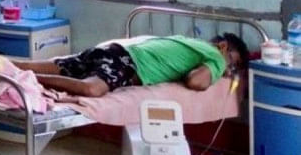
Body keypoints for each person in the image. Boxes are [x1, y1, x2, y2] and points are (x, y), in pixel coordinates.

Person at [13, 33, 249, 97]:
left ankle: (7, 65)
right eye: (233, 63)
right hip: (127, 63)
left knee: (55, 65)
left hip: (113, 51)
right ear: (223, 47)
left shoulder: (191, 44)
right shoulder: (216, 57)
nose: (230, 70)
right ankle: (27, 79)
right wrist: (220, 70)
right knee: (92, 89)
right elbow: (196, 81)